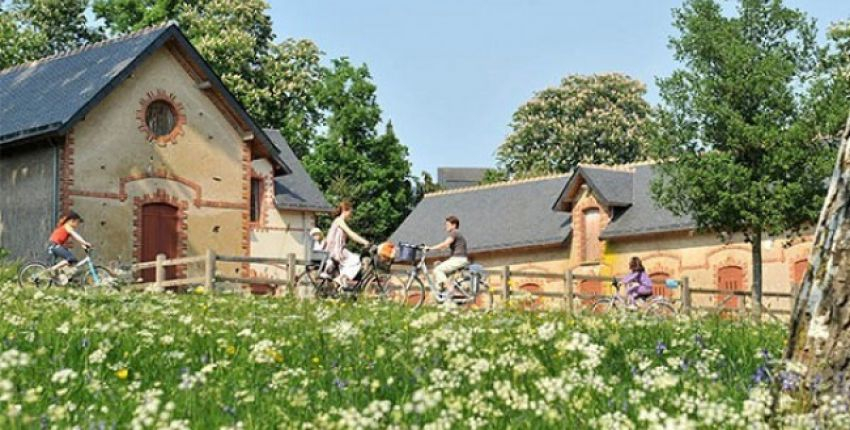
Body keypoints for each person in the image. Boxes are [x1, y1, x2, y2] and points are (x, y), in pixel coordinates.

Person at [323, 201, 370, 287]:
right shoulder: (339, 220)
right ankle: (342, 278)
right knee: (357, 260)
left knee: (353, 259)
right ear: (345, 210)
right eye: (350, 212)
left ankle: (341, 282)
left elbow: (350, 236)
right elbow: (351, 234)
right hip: (337, 251)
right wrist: (365, 242)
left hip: (336, 250)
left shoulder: (338, 221)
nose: (350, 215)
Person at [425, 215, 468, 292]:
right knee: (442, 272)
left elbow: (445, 244)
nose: (446, 227)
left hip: (458, 259)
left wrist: (430, 248)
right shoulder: (457, 234)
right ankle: (444, 293)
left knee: (438, 270)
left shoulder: (454, 232)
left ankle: (450, 289)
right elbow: (444, 247)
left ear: (454, 225)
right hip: (459, 259)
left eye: (447, 225)